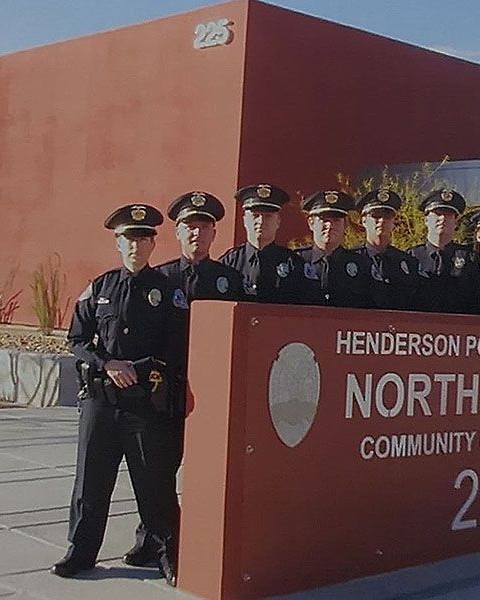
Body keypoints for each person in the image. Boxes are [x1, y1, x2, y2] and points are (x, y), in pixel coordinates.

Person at [53, 204, 186, 586]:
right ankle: (80, 552)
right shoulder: (100, 287)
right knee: (90, 481)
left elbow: (176, 348)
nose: (136, 246)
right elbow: (76, 339)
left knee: (154, 484)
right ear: (118, 242)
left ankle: (166, 554)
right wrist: (107, 363)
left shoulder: (167, 292)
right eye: (129, 238)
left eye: (143, 239)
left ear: (152, 244)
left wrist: (138, 369)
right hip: (100, 401)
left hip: (144, 403)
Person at [121, 191, 242, 571]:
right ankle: (153, 539)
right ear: (176, 233)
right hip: (167, 389)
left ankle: (192, 539)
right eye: (190, 226)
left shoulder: (228, 279)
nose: (197, 233)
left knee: (205, 471)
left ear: (213, 233)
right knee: (158, 469)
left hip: (213, 392)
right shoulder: (160, 278)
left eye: (204, 227)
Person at [218, 183, 303, 304]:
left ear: (278, 222)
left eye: (268, 216)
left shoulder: (294, 264)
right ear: (244, 221)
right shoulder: (229, 263)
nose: (261, 221)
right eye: (255, 215)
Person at [295, 190, 372, 308]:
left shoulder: (362, 264)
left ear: (345, 224)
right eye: (324, 219)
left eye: (336, 220)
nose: (330, 225)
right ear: (311, 223)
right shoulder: (296, 261)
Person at [350, 188, 420, 310]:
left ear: (394, 221)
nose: (381, 220)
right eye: (375, 215)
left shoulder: (408, 263)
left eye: (387, 216)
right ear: (364, 220)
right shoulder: (351, 259)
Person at [407, 189, 474, 313]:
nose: (443, 218)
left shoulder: (470, 258)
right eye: (438, 213)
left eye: (448, 214)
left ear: (455, 222)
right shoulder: (411, 257)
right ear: (426, 219)